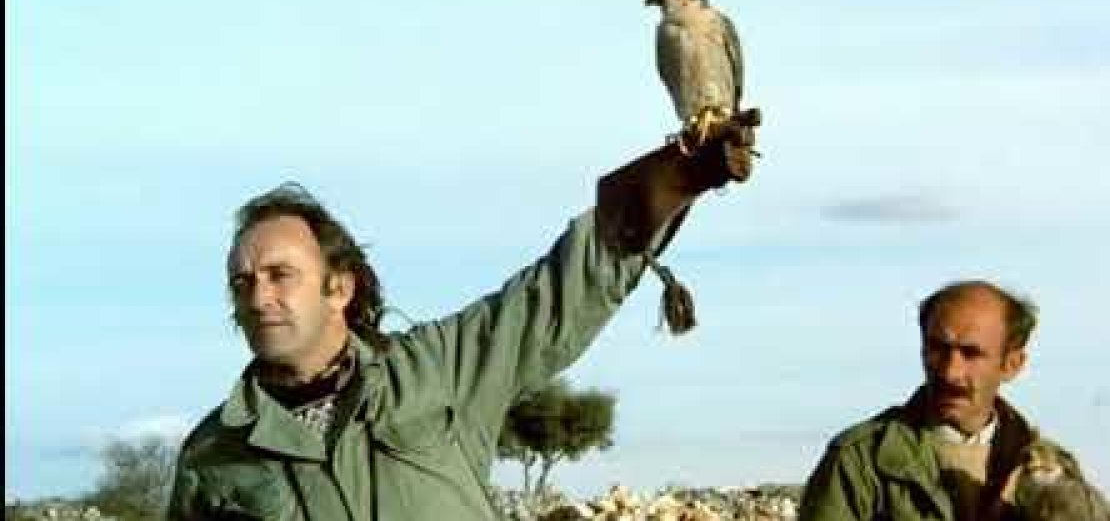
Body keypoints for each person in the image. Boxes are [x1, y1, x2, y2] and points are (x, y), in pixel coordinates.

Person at [166, 129, 755, 520]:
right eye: (242, 282)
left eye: (279, 274)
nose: (258, 296)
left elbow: (554, 299)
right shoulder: (214, 455)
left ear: (338, 287)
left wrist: (672, 178)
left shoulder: (439, 370)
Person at [798, 280, 1110, 521]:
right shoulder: (860, 462)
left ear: (1012, 364)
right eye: (938, 348)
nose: (950, 371)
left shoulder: (1047, 469)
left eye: (971, 353)